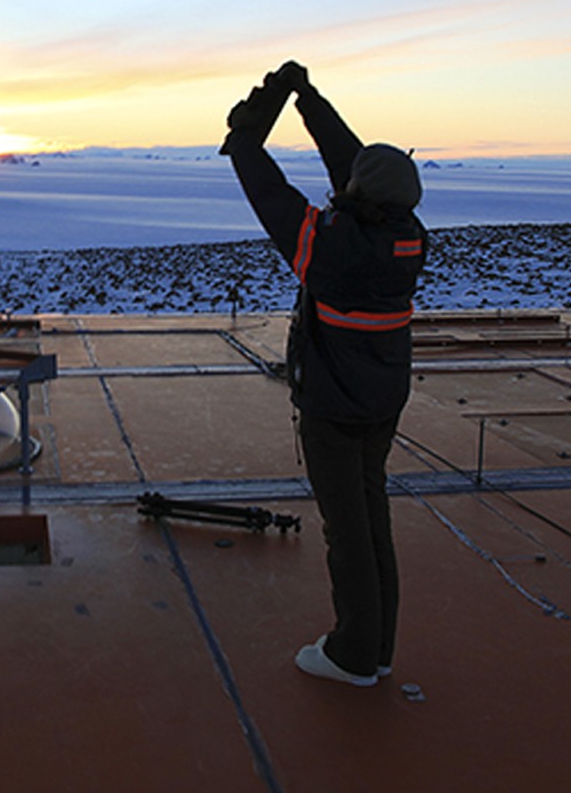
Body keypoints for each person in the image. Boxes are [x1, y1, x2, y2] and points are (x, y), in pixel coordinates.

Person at [223, 61, 426, 687]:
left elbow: (275, 202)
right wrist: (306, 100)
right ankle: (381, 645)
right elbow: (354, 164)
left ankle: (354, 655)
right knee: (372, 515)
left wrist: (244, 145)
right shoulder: (405, 235)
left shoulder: (332, 249)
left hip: (334, 408)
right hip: (382, 401)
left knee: (348, 533)